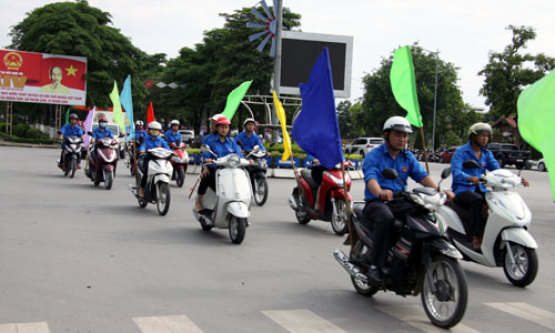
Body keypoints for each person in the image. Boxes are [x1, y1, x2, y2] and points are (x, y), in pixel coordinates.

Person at [362, 116, 454, 282]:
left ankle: (410, 255)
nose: (402, 139)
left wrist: (441, 191)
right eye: (398, 134)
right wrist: (380, 191)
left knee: (424, 214)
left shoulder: (407, 157)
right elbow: (370, 178)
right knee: (386, 217)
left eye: (405, 136)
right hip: (377, 202)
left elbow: (422, 176)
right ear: (387, 134)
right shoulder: (374, 155)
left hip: (399, 200)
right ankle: (376, 265)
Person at [451, 122, 529, 250]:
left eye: (487, 136)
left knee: (497, 202)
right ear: (473, 136)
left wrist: (517, 179)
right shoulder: (461, 152)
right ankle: (475, 236)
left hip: (481, 188)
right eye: (482, 135)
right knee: (477, 201)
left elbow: (498, 171)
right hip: (463, 189)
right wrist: (469, 177)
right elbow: (456, 172)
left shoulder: (487, 154)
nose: (485, 138)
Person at [195, 115, 244, 212]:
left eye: (226, 127)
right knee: (205, 178)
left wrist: (246, 161)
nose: (224, 129)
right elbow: (205, 155)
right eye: (221, 127)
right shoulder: (210, 141)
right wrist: (207, 161)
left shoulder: (231, 142)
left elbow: (239, 156)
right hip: (215, 169)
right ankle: (198, 202)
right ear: (217, 127)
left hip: (229, 170)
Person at [138, 121, 171, 197]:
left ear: (159, 131)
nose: (155, 132)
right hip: (149, 160)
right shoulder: (146, 139)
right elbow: (143, 145)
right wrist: (142, 150)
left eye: (157, 130)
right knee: (147, 172)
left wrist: (171, 152)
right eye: (153, 130)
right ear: (149, 130)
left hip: (160, 159)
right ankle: (142, 188)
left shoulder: (161, 140)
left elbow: (167, 147)